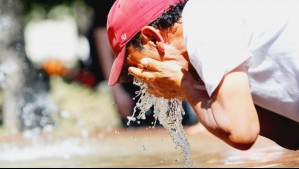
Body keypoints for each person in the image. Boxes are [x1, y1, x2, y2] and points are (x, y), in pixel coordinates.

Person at [107, 0, 299, 150]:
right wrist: (191, 89)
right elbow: (292, 134)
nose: (142, 78)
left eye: (137, 65)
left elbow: (243, 134)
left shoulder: (203, 22)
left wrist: (187, 88)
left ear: (153, 38)